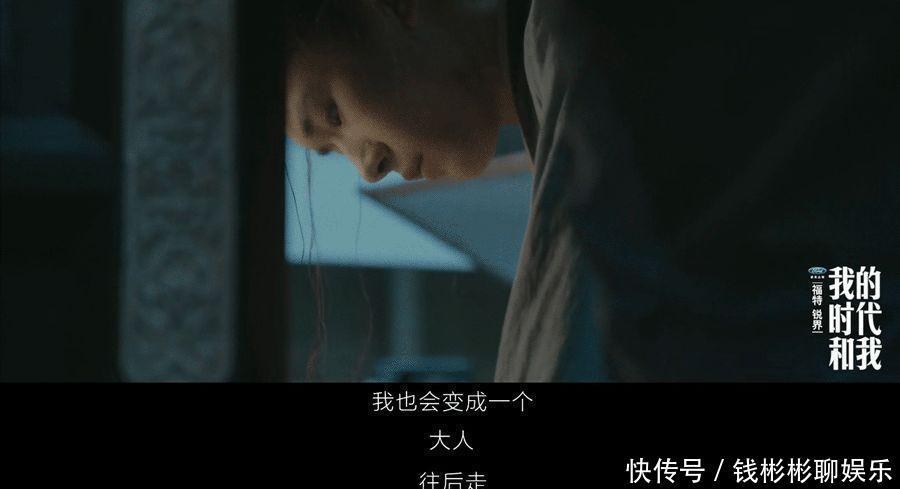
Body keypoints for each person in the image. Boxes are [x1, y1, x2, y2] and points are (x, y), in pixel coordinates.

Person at [284, 0, 900, 381]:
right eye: (331, 150)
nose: (366, 167)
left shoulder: (595, 47)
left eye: (333, 114)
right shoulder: (571, 73)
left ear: (393, 7)